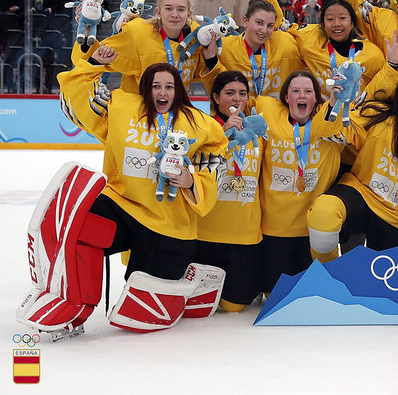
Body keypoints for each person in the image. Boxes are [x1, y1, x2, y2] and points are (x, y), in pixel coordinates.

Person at [56, 56, 227, 328]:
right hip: (121, 206)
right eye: (155, 86)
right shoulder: (122, 106)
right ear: (146, 88)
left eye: (169, 87)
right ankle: (73, 303)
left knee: (143, 307)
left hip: (169, 224)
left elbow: (216, 164)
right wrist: (92, 62)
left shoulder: (201, 124)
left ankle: (191, 280)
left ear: (178, 90)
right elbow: (78, 101)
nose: (162, 92)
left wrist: (191, 181)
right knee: (78, 233)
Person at [307, 32, 398, 261]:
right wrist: (335, 102)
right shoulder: (377, 118)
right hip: (363, 193)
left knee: (392, 277)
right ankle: (328, 273)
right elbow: (325, 131)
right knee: (323, 213)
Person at [254, 70, 345, 294]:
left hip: (311, 232)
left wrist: (336, 98)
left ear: (316, 99)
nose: (301, 96)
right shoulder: (269, 113)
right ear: (286, 97)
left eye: (308, 91)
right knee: (273, 296)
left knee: (313, 298)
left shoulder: (329, 122)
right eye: (295, 91)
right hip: (274, 230)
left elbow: (338, 118)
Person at [195, 71, 264, 312]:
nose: (237, 99)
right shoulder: (203, 128)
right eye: (229, 93)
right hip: (206, 233)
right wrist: (224, 134)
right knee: (203, 306)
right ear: (215, 97)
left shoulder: (257, 130)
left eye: (242, 94)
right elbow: (200, 167)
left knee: (234, 307)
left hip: (244, 234)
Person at [71, 0, 220, 94]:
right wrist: (86, 35)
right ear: (158, 12)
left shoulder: (197, 38)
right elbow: (86, 60)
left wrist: (211, 58)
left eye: (181, 9)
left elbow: (206, 75)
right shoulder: (137, 32)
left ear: (189, 14)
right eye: (168, 9)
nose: (175, 14)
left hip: (177, 114)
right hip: (139, 119)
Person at [205, 0, 303, 100]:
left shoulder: (284, 43)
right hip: (234, 113)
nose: (264, 30)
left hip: (273, 114)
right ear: (245, 21)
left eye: (270, 26)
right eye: (259, 23)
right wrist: (210, 59)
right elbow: (216, 87)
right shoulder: (223, 46)